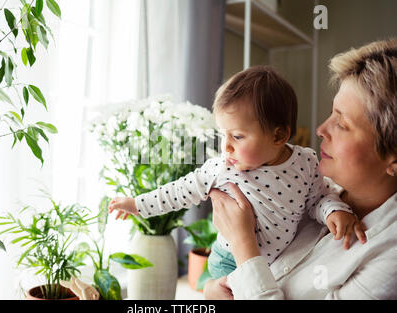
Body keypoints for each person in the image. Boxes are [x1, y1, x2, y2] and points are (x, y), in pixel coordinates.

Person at [108, 65, 358, 280]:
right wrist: (136, 204)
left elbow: (318, 198)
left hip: (279, 265)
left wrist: (334, 211)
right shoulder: (223, 167)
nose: (225, 146)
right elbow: (179, 191)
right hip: (228, 261)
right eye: (222, 134)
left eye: (237, 136)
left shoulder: (304, 162)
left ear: (279, 135)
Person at [203, 38, 397, 299]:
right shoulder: (309, 186)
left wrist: (242, 242)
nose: (321, 130)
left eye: (342, 124)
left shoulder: (389, 258)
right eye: (332, 114)